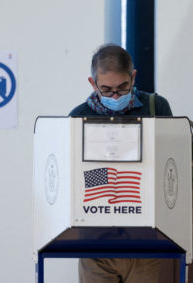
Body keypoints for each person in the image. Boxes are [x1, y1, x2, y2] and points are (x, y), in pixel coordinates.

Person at [69, 44, 172, 283]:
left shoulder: (156, 108)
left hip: (144, 236)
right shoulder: (78, 116)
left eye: (122, 87)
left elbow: (168, 164)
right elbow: (77, 176)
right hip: (95, 240)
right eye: (106, 89)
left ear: (133, 76)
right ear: (92, 84)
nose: (115, 96)